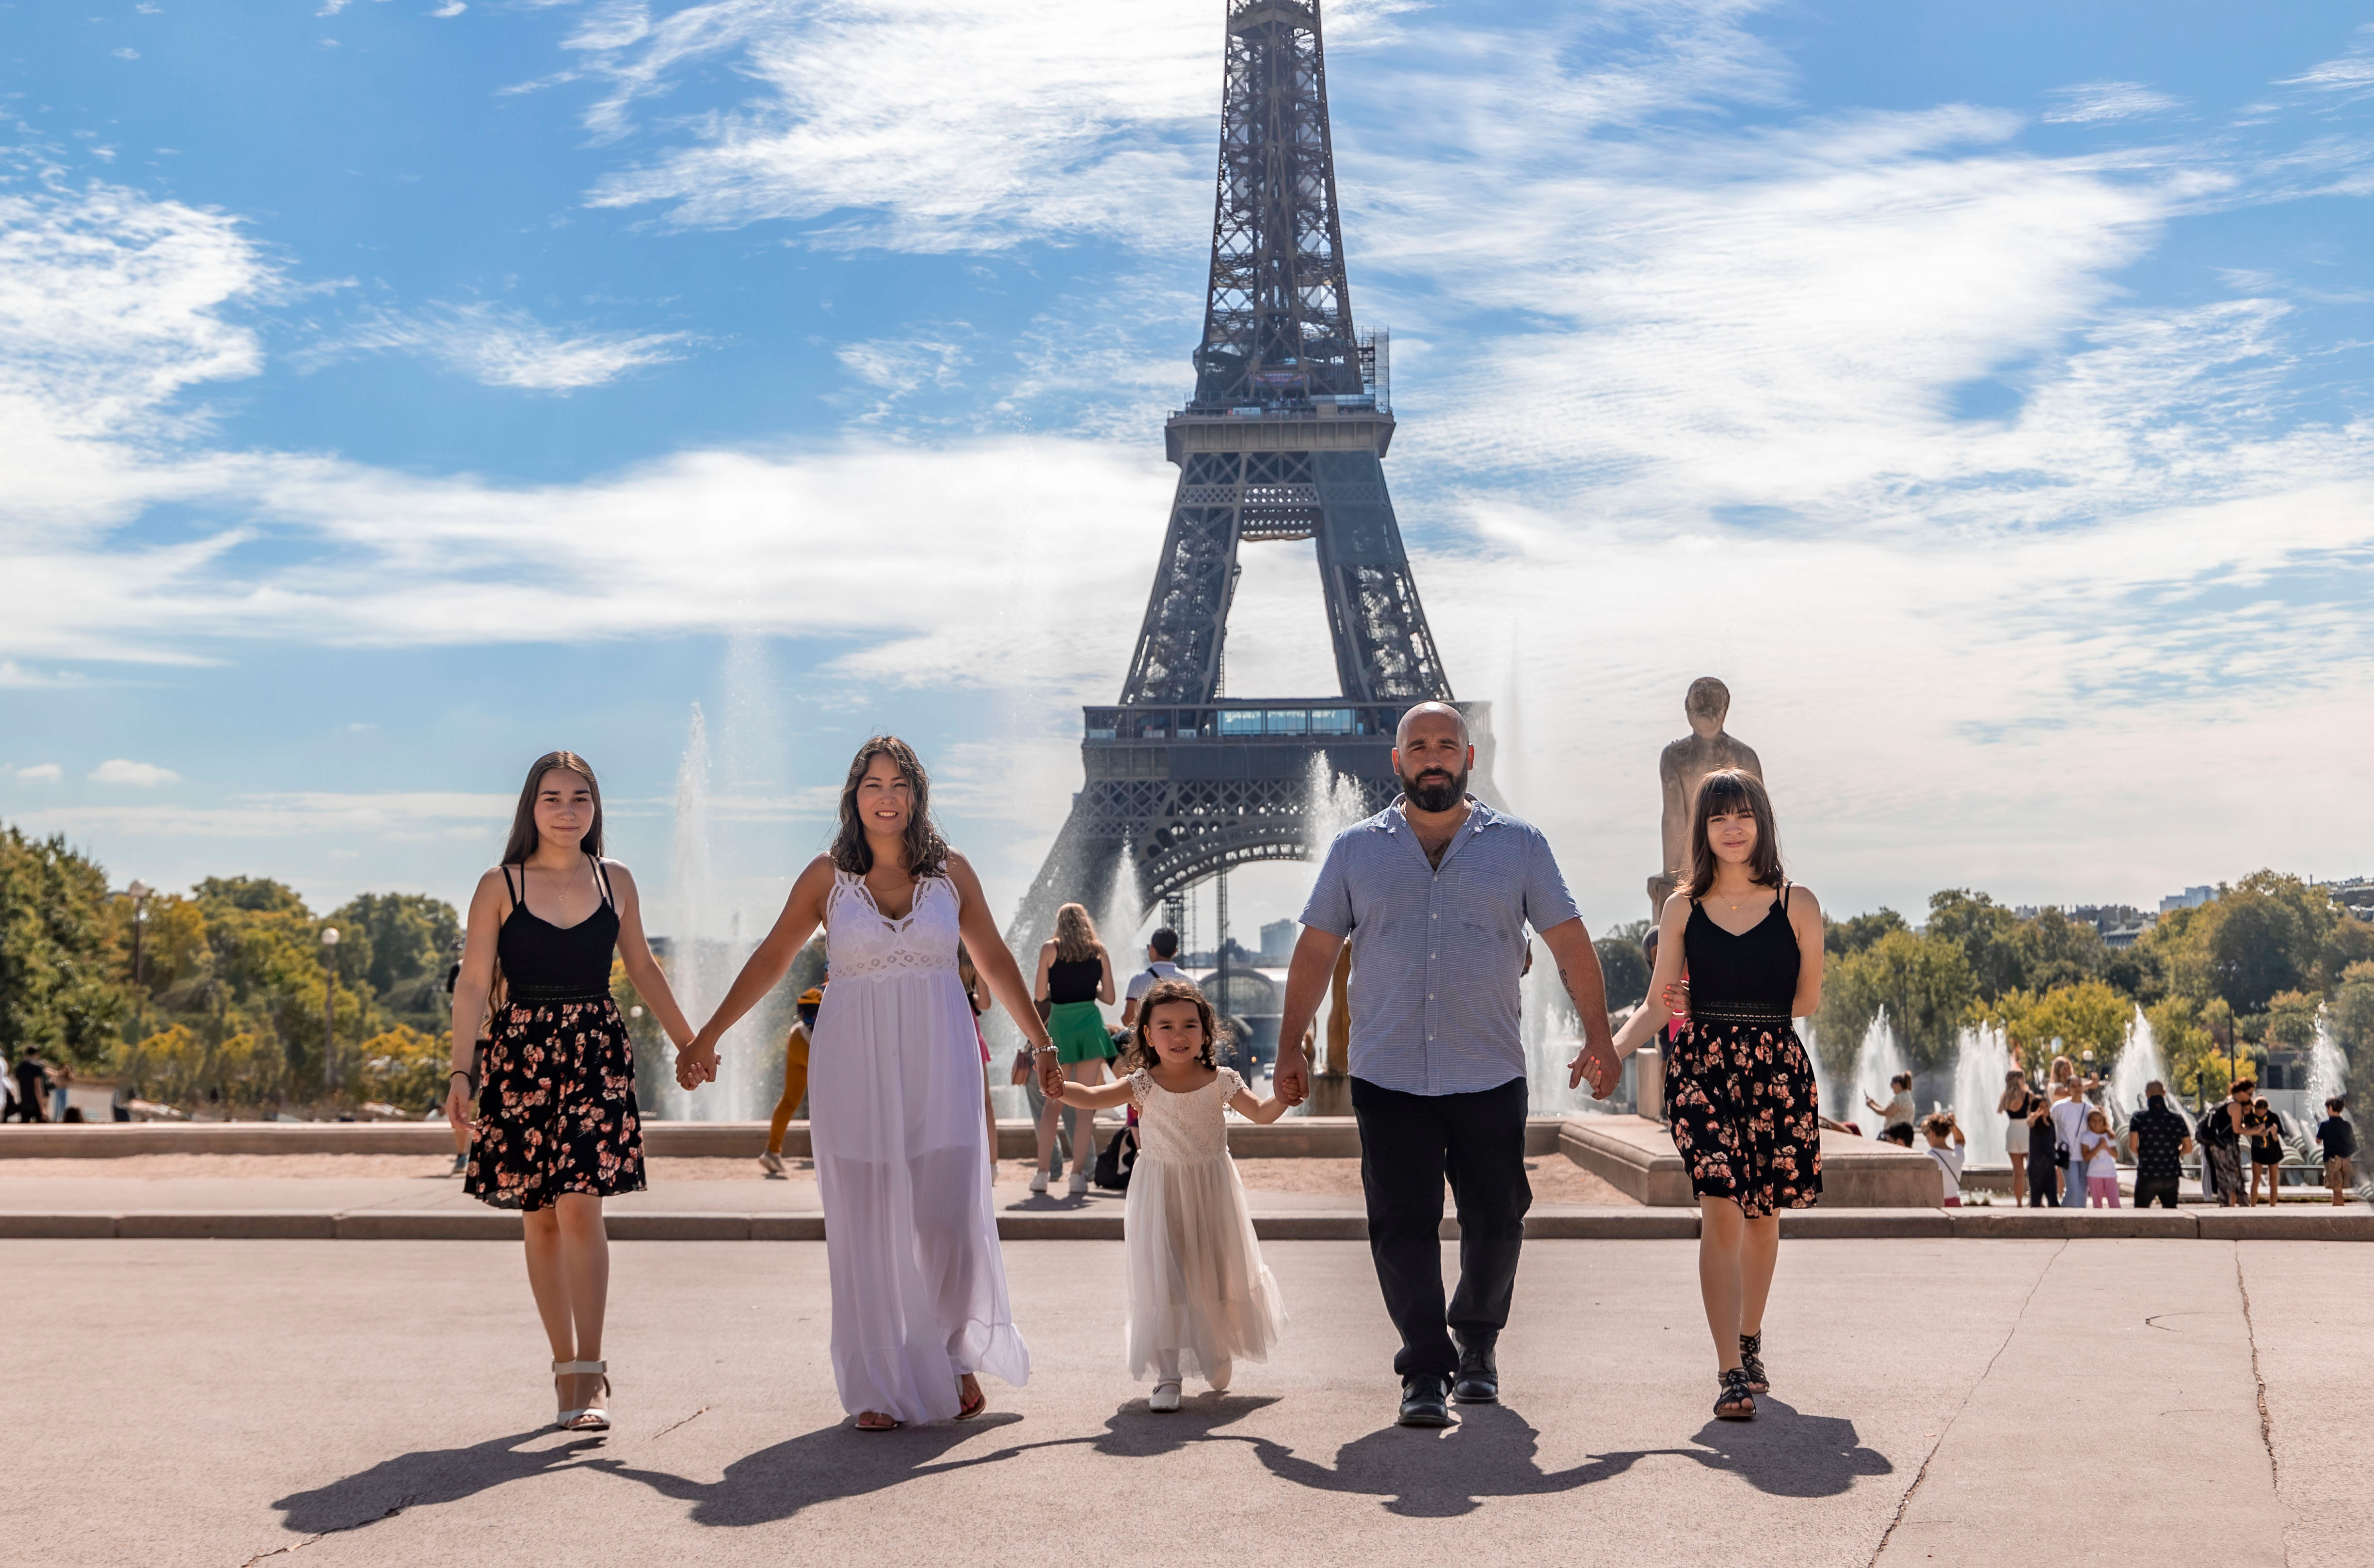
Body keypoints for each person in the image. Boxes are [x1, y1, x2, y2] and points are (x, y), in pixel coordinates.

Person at [676, 736, 1044, 1431]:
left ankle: (953, 1351)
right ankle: (877, 1380)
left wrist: (1041, 1039)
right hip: (854, 1064)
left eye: (899, 784)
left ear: (917, 794)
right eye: (873, 784)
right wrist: (709, 1033)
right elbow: (772, 956)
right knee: (868, 1223)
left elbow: (994, 957)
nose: (886, 797)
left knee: (949, 1219)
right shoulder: (826, 878)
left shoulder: (954, 872)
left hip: (942, 1061)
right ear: (853, 795)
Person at [1272, 702, 1619, 1429]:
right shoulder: (1354, 850)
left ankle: (1478, 1339)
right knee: (1401, 1225)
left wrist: (1600, 1034)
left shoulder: (1521, 845)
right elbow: (1316, 950)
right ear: (1396, 760)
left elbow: (1568, 940)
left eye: (1446, 745)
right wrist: (1289, 1043)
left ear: (1469, 757)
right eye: (1419, 745)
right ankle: (1425, 1369)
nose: (1433, 757)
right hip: (1389, 1069)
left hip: (1487, 1065)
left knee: (1500, 1217)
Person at [444, 751, 698, 1433]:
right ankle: (563, 1366)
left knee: (581, 1207)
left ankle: (590, 1372)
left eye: (580, 797)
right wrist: (461, 1073)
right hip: (519, 1056)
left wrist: (689, 1042)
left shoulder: (617, 880)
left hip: (596, 1052)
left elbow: (643, 967)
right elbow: (474, 983)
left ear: (596, 808)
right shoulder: (500, 884)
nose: (567, 810)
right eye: (552, 798)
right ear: (531, 807)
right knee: (541, 1216)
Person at [1606, 766, 1821, 1423]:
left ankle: (1750, 1337)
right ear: (1701, 829)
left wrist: (1717, 995)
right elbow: (1654, 1005)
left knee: (1763, 1216)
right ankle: (1729, 1368)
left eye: (1744, 814)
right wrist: (1608, 1052)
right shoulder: (1682, 908)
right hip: (1702, 1069)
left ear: (1763, 823)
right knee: (1722, 1206)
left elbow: (1806, 1001)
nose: (1732, 827)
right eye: (1719, 816)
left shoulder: (1799, 904)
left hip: (1775, 1068)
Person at [1050, 979, 1289, 1410]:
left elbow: (1262, 1113)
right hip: (1158, 1191)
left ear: (1206, 1031)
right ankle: (1168, 1375)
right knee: (1161, 1279)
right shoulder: (1142, 1083)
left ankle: (1216, 1347)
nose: (1179, 1035)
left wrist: (1285, 1096)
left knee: (1213, 1271)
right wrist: (1059, 1088)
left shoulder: (1222, 1080)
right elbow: (1093, 1096)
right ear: (1147, 1034)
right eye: (1166, 1026)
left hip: (1212, 1190)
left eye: (1189, 1025)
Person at [1032, 903, 1117, 1197]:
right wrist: (1088, 989)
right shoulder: (1099, 951)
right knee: (1086, 1105)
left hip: (1061, 1024)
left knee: (1052, 1103)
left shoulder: (1050, 949)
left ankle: (1042, 1174)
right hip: (1090, 1024)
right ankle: (1078, 1176)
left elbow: (1040, 995)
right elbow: (1110, 997)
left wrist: (1062, 986)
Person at [758, 987, 824, 1178]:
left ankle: (772, 1151)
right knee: (834, 1101)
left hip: (797, 1037)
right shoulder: (841, 987)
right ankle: (832, 1154)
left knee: (789, 1100)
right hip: (818, 1043)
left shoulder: (820, 988)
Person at [2124, 1081, 2193, 1211]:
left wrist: (2143, 1155)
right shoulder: (2177, 1118)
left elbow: (2132, 1146)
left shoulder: (2139, 1117)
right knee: (2171, 1214)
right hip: (2171, 1174)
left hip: (2147, 1173)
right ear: (2164, 1093)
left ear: (2147, 1094)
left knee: (2140, 1214)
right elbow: (2189, 1147)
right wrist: (2175, 1154)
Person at [1121, 927, 1189, 1027]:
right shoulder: (1189, 981)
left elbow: (1128, 1020)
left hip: (1151, 1036)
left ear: (1152, 948)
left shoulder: (1138, 980)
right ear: (1175, 951)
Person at [2201, 1080, 2247, 1206]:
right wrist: (2255, 1131)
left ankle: (2226, 1207)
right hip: (2228, 1146)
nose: (2250, 1097)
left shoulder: (2222, 1104)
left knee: (2224, 1181)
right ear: (2241, 1092)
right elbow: (2237, 1129)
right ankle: (2242, 1207)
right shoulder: (2235, 1106)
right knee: (2235, 1179)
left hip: (2216, 1145)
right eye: (2249, 1093)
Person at [2049, 1076, 2092, 1209]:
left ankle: (2081, 1219)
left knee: (2083, 1193)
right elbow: (2048, 1127)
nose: (2077, 1089)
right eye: (2073, 1086)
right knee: (2073, 1191)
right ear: (2068, 1089)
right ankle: (2061, 1217)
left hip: (2085, 1155)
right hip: (2067, 1156)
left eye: (2079, 1085)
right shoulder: (2059, 1107)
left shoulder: (2090, 1109)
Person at [1998, 1069, 2040, 1204]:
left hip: (2012, 1132)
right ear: (2020, 1080)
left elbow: (2001, 1111)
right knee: (2034, 1169)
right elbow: (2035, 1113)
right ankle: (2036, 1201)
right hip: (2026, 1132)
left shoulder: (2005, 1097)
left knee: (2018, 1173)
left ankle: (2019, 1203)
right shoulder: (2028, 1096)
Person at [2315, 1097, 2356, 1206]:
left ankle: (2339, 1209)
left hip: (2332, 1159)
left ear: (2330, 1108)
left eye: (2327, 1109)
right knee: (2340, 1187)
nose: (2327, 1111)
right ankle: (2338, 1206)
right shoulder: (2347, 1125)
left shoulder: (2325, 1125)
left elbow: (2318, 1140)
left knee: (2336, 1187)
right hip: (2345, 1159)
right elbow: (2354, 1144)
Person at [1921, 1112, 1966, 1206]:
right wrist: (1953, 1125)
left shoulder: (1928, 1157)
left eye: (1926, 1133)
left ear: (1931, 1133)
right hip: (1956, 1203)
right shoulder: (1957, 1154)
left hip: (1938, 1203)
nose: (1926, 1138)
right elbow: (1960, 1141)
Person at [2078, 1109, 2121, 1208]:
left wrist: (2106, 1146)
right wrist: (2099, 1146)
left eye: (2100, 1120)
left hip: (2110, 1173)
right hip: (2094, 1174)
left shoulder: (2109, 1135)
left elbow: (2116, 1155)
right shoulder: (2086, 1136)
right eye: (2094, 1121)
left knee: (2115, 1203)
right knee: (2097, 1204)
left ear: (2104, 1121)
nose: (2097, 1123)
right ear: (2089, 1122)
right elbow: (2086, 1157)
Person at [2025, 1086, 2061, 1206]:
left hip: (2049, 1165)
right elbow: (2029, 1122)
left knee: (2053, 1200)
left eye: (2046, 1106)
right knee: (2036, 1200)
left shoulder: (2051, 1123)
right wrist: (2033, 1117)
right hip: (2036, 1165)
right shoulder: (2034, 1124)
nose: (2045, 1110)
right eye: (2041, 1107)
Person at [1864, 1073, 1914, 1145]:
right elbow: (1889, 1111)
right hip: (1904, 1134)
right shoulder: (1906, 1096)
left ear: (1898, 1084)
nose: (1891, 1087)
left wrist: (1871, 1106)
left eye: (1892, 1084)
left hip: (1895, 1135)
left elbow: (1886, 1112)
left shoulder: (1900, 1098)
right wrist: (1874, 1103)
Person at [8, 1047, 49, 1123]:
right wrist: (42, 1108)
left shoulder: (19, 1067)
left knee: (24, 1125)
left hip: (24, 1102)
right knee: (43, 1125)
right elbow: (38, 1088)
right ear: (36, 1054)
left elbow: (18, 1085)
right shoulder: (37, 1067)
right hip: (36, 1103)